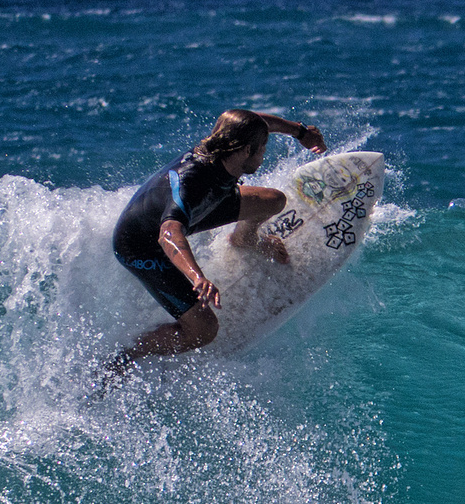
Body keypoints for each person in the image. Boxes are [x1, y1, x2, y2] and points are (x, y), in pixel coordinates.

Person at [109, 109, 327, 368]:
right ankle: (128, 355)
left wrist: (300, 132)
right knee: (203, 331)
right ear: (246, 151)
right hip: (141, 246)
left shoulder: (227, 139)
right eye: (262, 149)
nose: (264, 155)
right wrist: (197, 277)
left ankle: (244, 239)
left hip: (202, 207)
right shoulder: (193, 183)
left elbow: (257, 123)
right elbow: (168, 232)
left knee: (273, 201)